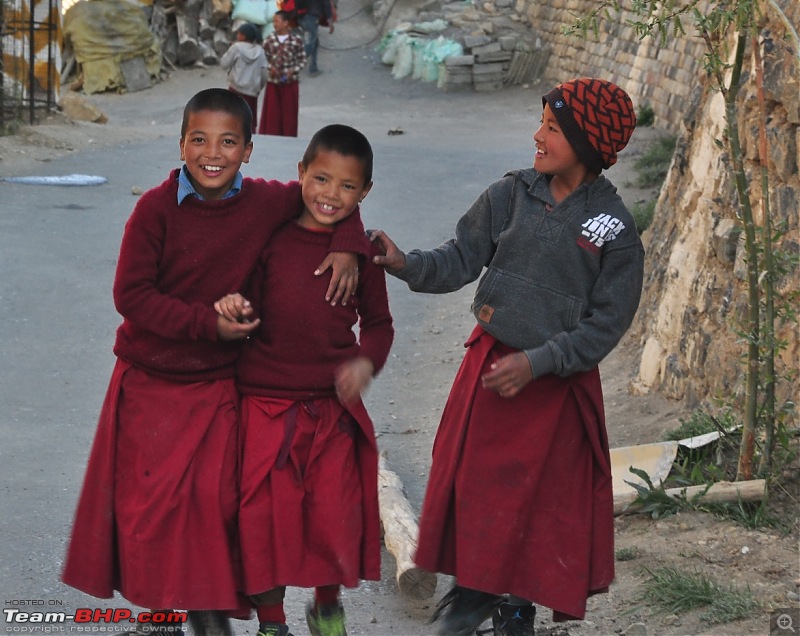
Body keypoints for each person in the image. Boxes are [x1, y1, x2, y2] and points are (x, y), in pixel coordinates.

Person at [61, 89, 371, 636]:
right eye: (199, 140)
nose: (212, 153)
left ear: (249, 151)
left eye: (228, 142)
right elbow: (131, 295)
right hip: (150, 381)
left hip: (217, 388)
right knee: (149, 510)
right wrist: (209, 324)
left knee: (210, 506)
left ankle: (207, 612)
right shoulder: (154, 210)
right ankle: (159, 615)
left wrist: (348, 243)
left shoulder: (263, 201)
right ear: (181, 144)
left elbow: (328, 195)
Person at [369, 78, 643, 636]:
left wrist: (539, 362)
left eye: (552, 127)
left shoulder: (613, 230)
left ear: (589, 144)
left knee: (535, 508)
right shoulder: (511, 194)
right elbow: (459, 258)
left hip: (555, 392)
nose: (537, 136)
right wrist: (404, 263)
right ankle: (473, 602)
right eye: (540, 121)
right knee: (480, 498)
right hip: (491, 376)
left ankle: (510, 614)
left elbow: (604, 328)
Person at [215, 124, 393, 636]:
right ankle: (272, 623)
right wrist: (234, 306)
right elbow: (242, 298)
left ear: (364, 193)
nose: (330, 195)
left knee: (331, 517)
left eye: (347, 186)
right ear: (300, 175)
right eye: (320, 179)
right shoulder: (269, 242)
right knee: (264, 522)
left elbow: (379, 325)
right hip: (264, 407)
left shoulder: (364, 255)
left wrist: (365, 362)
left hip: (330, 410)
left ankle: (327, 609)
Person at [259, 11, 306, 137]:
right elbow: (262, 59)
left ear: (286, 23)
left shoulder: (296, 41)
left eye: (277, 21)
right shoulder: (269, 40)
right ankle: (271, 137)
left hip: (290, 82)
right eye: (273, 21)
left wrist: (293, 70)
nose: (274, 24)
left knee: (289, 114)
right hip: (273, 82)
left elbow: (302, 60)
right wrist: (270, 67)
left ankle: (288, 137)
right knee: (272, 113)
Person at [220, 22, 268, 133]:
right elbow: (264, 74)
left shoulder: (236, 48)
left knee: (233, 118)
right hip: (251, 92)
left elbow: (224, 64)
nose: (237, 36)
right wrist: (258, 87)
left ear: (243, 36)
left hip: (235, 89)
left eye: (239, 34)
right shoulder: (260, 51)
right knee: (249, 121)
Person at [297, 0, 335, 76]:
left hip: (301, 17)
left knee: (315, 42)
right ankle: (291, 69)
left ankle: (313, 68)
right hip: (311, 18)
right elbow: (326, 4)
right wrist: (330, 23)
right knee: (310, 44)